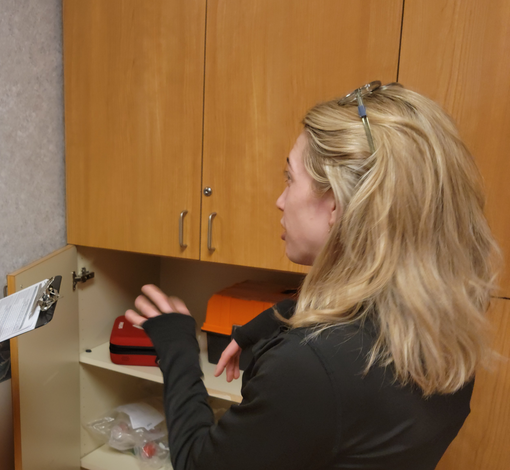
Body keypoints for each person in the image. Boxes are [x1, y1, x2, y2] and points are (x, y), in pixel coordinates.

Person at [126, 82, 501, 470]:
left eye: (290, 178)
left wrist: (177, 345)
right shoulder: (443, 330)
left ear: (336, 203)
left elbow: (198, 464)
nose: (280, 200)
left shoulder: (311, 368)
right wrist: (277, 317)